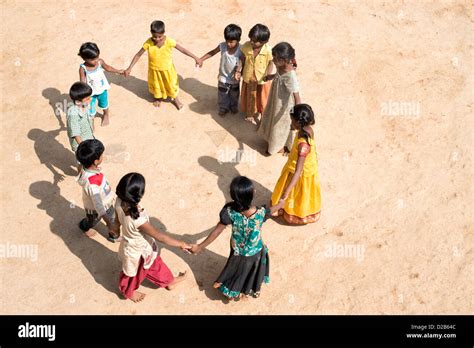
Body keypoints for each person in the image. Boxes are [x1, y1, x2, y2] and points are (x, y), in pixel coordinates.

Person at [190, 176, 284, 300]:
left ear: (233, 196)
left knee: (237, 268)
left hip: (237, 250)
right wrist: (281, 204)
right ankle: (246, 289)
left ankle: (231, 288)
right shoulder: (261, 212)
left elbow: (216, 232)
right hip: (255, 252)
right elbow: (271, 210)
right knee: (248, 272)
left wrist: (199, 247)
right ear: (252, 194)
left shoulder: (229, 212)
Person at [115, 172, 191, 302]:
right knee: (132, 274)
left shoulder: (118, 201)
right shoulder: (137, 219)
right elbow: (160, 236)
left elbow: (116, 219)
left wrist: (115, 228)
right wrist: (181, 243)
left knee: (155, 266)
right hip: (138, 251)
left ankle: (169, 281)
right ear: (139, 195)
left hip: (139, 247)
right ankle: (128, 292)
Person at [123, 20, 200, 110]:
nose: (157, 39)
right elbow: (138, 55)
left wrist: (195, 57)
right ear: (151, 33)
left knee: (171, 84)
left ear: (164, 33)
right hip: (154, 70)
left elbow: (182, 50)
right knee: (157, 84)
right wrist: (129, 68)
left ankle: (175, 99)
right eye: (154, 36)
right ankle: (158, 97)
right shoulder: (148, 43)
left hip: (168, 70)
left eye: (160, 36)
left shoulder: (169, 41)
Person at [270, 104, 321, 224]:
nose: (290, 123)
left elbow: (298, 172)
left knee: (296, 193)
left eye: (292, 120)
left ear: (298, 122)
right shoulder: (307, 130)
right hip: (305, 167)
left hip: (300, 173)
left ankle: (292, 212)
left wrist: (285, 193)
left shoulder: (303, 145)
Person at [258, 42, 301, 155]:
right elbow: (278, 75)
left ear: (286, 60)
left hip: (284, 106)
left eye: (276, 59)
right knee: (272, 118)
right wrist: (271, 77)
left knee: (279, 125)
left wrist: (295, 116)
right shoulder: (280, 65)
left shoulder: (291, 76)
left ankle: (277, 147)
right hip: (275, 100)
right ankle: (271, 140)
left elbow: (297, 98)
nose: (274, 60)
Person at [75, 139, 120, 241]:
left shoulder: (88, 168)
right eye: (101, 155)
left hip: (107, 203)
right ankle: (84, 226)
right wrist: (107, 222)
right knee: (93, 221)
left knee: (113, 219)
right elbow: (98, 205)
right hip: (95, 209)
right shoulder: (92, 183)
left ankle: (113, 236)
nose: (103, 156)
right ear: (95, 161)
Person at [197, 24, 242, 116]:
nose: (229, 44)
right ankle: (223, 107)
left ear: (238, 40)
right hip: (223, 77)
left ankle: (233, 106)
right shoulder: (222, 46)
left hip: (234, 78)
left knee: (234, 93)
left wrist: (238, 71)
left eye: (231, 42)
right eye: (227, 41)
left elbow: (243, 60)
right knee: (222, 93)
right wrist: (201, 59)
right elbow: (213, 52)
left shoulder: (241, 49)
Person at [78, 42, 123, 126]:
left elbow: (108, 68)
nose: (96, 60)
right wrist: (83, 94)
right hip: (90, 94)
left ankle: (106, 115)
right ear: (84, 59)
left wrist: (118, 71)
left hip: (102, 90)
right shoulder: (82, 68)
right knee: (90, 109)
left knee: (104, 104)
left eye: (97, 57)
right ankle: (91, 122)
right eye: (92, 59)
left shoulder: (99, 62)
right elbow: (82, 82)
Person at [236, 24, 273, 123]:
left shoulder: (268, 50)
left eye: (254, 41)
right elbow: (242, 59)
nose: (251, 42)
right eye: (251, 39)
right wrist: (238, 70)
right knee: (249, 96)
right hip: (249, 77)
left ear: (264, 41)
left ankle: (262, 114)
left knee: (262, 98)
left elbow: (270, 63)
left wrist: (268, 75)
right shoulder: (246, 46)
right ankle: (249, 114)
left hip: (262, 79)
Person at [66, 82, 95, 172]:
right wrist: (83, 146)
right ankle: (80, 173)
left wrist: (92, 125)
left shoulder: (85, 104)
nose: (90, 100)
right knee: (81, 161)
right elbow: (75, 133)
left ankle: (89, 168)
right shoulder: (73, 113)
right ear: (78, 101)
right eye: (87, 98)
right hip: (80, 144)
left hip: (88, 137)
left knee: (89, 158)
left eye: (90, 97)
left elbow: (90, 116)